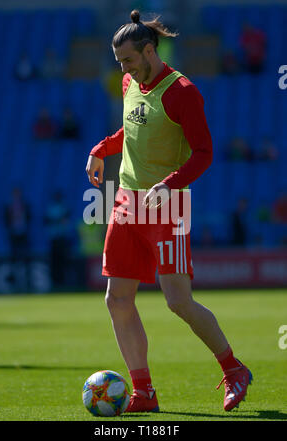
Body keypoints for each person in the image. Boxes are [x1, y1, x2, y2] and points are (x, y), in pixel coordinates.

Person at [86, 10, 252, 413]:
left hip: (169, 205)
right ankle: (144, 391)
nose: (122, 69)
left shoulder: (183, 92)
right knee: (117, 298)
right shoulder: (129, 82)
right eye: (119, 62)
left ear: (149, 51)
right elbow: (134, 127)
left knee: (177, 300)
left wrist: (170, 185)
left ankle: (233, 369)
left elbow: (204, 153)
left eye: (127, 60)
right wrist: (100, 149)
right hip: (127, 202)